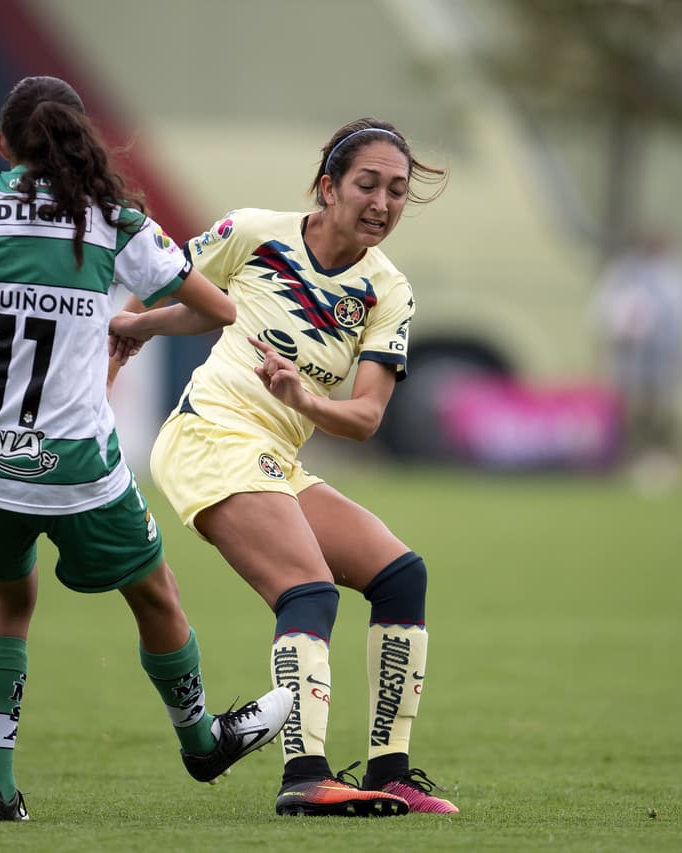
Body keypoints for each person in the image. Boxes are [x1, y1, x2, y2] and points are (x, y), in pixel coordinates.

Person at [0, 75, 293, 824]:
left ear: (2, 144)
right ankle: (201, 743)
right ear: (80, 137)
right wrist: (129, 320)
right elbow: (215, 307)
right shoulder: (111, 221)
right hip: (75, 467)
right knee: (155, 593)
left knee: (9, 598)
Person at [109, 118, 459, 817]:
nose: (384, 202)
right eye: (368, 184)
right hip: (209, 437)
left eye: (397, 190)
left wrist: (304, 399)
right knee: (309, 589)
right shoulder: (253, 231)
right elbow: (186, 295)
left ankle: (390, 769)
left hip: (276, 456)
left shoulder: (388, 290)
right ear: (328, 186)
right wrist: (133, 325)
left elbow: (364, 418)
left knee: (400, 575)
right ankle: (305, 774)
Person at [591, 228, 682, 491]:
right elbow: (605, 310)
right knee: (635, 409)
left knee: (664, 409)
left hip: (666, 355)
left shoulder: (679, 274)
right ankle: (633, 458)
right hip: (632, 356)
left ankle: (663, 460)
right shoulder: (624, 272)